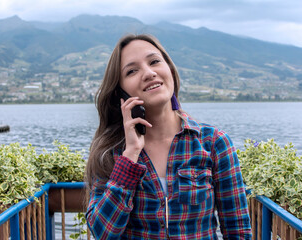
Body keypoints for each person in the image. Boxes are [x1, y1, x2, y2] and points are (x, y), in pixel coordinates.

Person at [85, 34, 252, 240]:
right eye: (132, 71)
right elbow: (102, 233)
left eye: (154, 61)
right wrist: (130, 156)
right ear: (121, 93)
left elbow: (238, 231)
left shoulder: (213, 143)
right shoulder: (112, 152)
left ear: (170, 71)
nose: (148, 73)